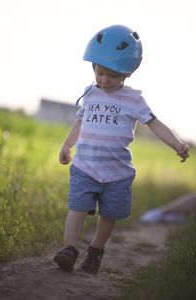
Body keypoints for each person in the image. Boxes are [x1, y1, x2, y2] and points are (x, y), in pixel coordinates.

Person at [53, 25, 189, 274]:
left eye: (113, 76)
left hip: (117, 174)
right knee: (77, 208)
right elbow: (80, 121)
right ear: (94, 67)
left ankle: (95, 251)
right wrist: (66, 145)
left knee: (109, 216)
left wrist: (177, 143)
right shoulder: (91, 94)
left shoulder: (134, 100)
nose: (105, 80)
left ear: (127, 73)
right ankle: (69, 250)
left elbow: (155, 124)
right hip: (84, 166)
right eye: (101, 73)